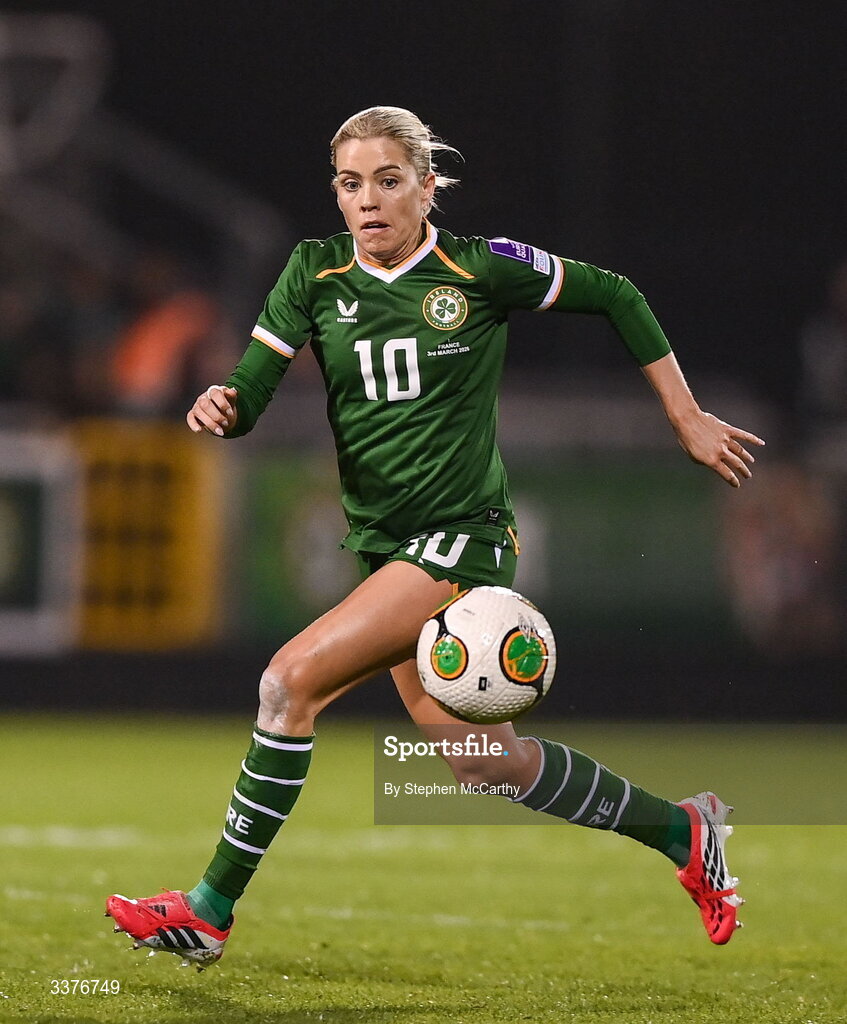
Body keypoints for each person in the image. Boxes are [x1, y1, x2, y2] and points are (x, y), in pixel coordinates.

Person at [106, 106, 764, 967]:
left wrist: (683, 414)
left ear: (426, 184)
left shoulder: (478, 268)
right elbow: (249, 392)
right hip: (387, 551)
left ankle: (208, 909)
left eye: (387, 180)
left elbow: (615, 293)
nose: (368, 201)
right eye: (350, 184)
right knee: (485, 765)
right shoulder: (313, 273)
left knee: (286, 684)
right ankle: (685, 833)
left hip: (460, 541)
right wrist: (222, 406)